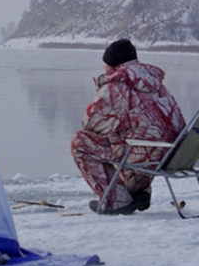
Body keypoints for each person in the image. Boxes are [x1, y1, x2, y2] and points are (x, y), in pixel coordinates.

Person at [71, 39, 185, 214]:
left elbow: (90, 123)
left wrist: (113, 125)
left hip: (146, 155)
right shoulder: (157, 85)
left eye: (105, 64)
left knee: (80, 142)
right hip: (174, 153)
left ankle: (115, 201)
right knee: (133, 135)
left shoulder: (115, 87)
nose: (103, 67)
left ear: (113, 65)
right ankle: (138, 192)